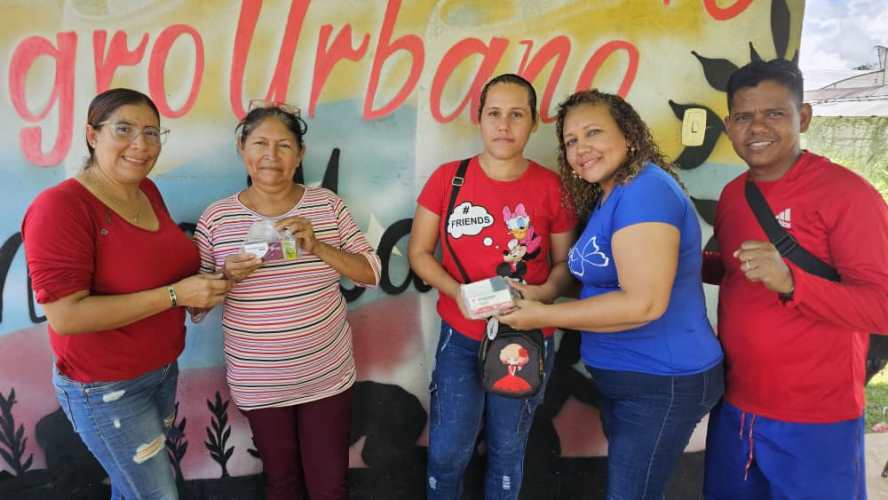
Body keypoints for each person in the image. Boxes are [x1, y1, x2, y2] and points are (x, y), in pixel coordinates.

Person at [498, 89, 724, 499]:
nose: (581, 148)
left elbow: (643, 303)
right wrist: (541, 293)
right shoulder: (612, 193)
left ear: (629, 135)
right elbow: (595, 275)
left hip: (661, 381)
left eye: (593, 132)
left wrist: (542, 316)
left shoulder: (646, 192)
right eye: (571, 140)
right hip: (633, 380)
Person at [21, 88, 231, 500]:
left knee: (132, 488)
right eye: (124, 130)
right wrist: (176, 295)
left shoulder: (146, 191)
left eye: (152, 133)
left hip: (161, 371)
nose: (141, 144)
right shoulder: (60, 207)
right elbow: (66, 316)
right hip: (105, 389)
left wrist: (204, 287)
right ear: (92, 134)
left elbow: (157, 272)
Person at [702, 59, 888, 499]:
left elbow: (882, 307)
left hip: (816, 419)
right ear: (729, 126)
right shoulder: (734, 194)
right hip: (736, 407)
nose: (757, 127)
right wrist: (683, 263)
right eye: (744, 117)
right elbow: (738, 271)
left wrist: (792, 283)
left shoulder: (847, 194)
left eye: (774, 113)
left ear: (802, 117)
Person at [194, 100, 381, 500]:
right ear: (242, 149)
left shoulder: (327, 205)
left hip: (326, 377)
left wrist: (319, 246)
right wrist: (225, 276)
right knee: (281, 484)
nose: (271, 156)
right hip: (259, 383)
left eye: (283, 145)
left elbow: (371, 273)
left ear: (300, 154)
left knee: (329, 487)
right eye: (259, 144)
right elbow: (195, 307)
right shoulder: (217, 218)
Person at [408, 73, 577, 500]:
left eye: (517, 114)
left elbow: (564, 267)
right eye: (494, 113)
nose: (504, 125)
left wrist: (538, 296)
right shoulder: (449, 179)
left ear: (534, 122)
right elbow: (419, 254)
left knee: (507, 450)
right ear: (479, 118)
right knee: (448, 452)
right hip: (461, 336)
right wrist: (458, 293)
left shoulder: (552, 187)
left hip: (525, 338)